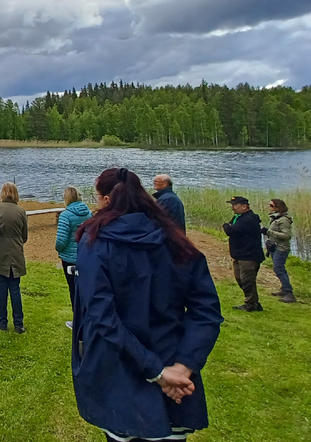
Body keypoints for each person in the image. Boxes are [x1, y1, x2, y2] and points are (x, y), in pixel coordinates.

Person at [72, 167, 223, 442]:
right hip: (169, 363)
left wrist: (169, 370)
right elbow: (207, 311)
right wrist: (180, 366)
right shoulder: (175, 240)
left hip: (120, 371)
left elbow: (102, 317)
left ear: (106, 200)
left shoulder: (95, 243)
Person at [0, 182, 29, 333]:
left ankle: (2, 322)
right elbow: (24, 236)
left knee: (2, 288)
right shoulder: (21, 211)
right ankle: (19, 324)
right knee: (15, 288)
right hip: (16, 253)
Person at [55, 186, 91, 330]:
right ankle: (86, 317)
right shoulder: (88, 213)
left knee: (73, 289)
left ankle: (78, 321)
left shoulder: (66, 215)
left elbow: (61, 240)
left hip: (70, 257)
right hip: (85, 255)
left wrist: (59, 249)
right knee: (84, 288)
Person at [222, 196, 265, 312]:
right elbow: (231, 228)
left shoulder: (249, 219)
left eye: (235, 205)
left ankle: (250, 305)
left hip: (249, 256)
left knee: (247, 281)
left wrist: (226, 226)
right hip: (239, 254)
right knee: (240, 278)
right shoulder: (239, 217)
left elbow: (231, 230)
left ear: (244, 206)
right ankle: (254, 302)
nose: (232, 208)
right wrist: (229, 226)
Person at [263, 198, 296, 303]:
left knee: (278, 269)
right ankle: (284, 289)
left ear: (278, 207)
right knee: (279, 269)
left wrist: (268, 232)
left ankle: (289, 292)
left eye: (272, 206)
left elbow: (286, 235)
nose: (270, 207)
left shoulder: (284, 220)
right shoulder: (276, 218)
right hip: (274, 247)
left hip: (281, 248)